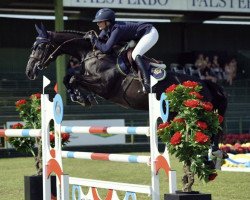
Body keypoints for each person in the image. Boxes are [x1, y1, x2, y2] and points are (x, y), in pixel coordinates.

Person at [90, 8, 159, 93]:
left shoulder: (117, 29)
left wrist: (94, 40)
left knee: (135, 54)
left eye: (100, 21)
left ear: (107, 22)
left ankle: (147, 82)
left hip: (150, 32)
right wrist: (92, 39)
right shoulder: (106, 30)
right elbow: (99, 41)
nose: (97, 24)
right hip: (139, 36)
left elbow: (106, 49)